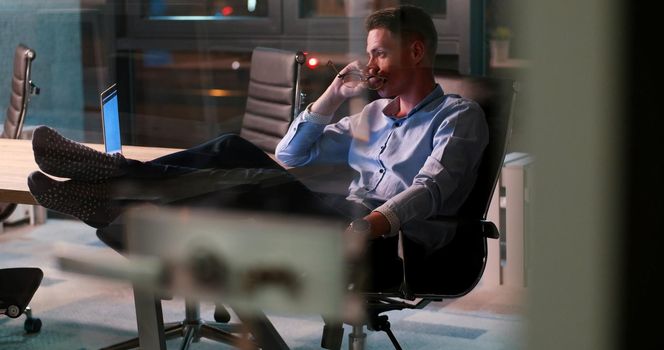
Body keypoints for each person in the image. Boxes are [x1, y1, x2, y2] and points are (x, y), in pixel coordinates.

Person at [27, 5, 487, 289]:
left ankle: (113, 187)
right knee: (234, 159)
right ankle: (112, 191)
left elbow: (431, 188)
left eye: (379, 53)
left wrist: (370, 225)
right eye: (368, 54)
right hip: (336, 215)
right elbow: (290, 156)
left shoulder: (458, 118)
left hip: (384, 240)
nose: (369, 65)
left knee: (240, 169)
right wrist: (332, 96)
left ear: (416, 52)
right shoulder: (369, 117)